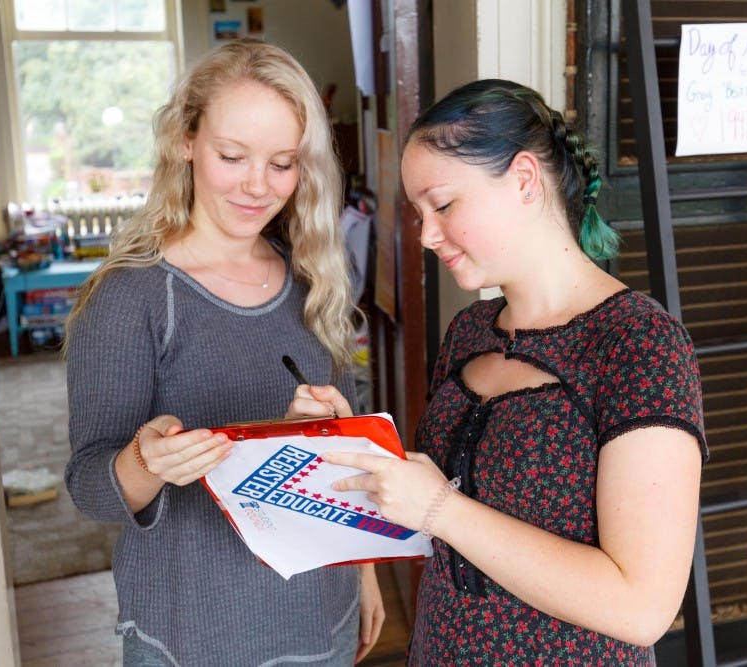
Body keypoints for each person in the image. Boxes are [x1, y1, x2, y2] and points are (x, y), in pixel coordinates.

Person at [290, 79, 707, 665]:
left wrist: (440, 508)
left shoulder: (638, 344)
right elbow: (431, 512)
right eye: (419, 213)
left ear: (524, 181)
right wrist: (349, 447)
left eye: (443, 204)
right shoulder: (471, 330)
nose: (427, 235)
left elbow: (642, 609)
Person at [64, 39, 384, 666]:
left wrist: (365, 568)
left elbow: (353, 448)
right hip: (198, 638)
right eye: (232, 155)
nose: (258, 186)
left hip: (323, 614)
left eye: (283, 163)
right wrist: (145, 461)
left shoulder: (312, 274)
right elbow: (89, 489)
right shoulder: (133, 295)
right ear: (186, 140)